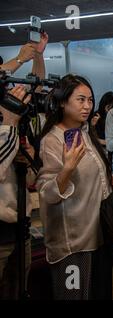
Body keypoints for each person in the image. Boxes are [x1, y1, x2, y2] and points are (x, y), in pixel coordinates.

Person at [37, 74, 113, 300]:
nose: (88, 106)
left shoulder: (84, 132)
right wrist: (68, 168)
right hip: (73, 242)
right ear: (62, 102)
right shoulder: (52, 140)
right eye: (81, 100)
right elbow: (47, 193)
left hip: (97, 235)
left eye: (90, 100)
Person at [0, 86, 33, 299]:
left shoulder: (13, 130)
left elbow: (29, 181)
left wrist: (28, 158)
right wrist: (9, 123)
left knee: (18, 289)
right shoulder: (8, 128)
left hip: (21, 228)